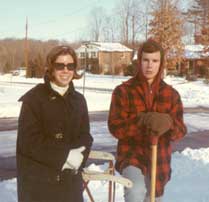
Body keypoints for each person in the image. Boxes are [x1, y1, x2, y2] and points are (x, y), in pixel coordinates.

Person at [108, 39, 187, 202]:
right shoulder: (123, 91)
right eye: (145, 60)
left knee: (154, 198)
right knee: (136, 192)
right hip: (132, 154)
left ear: (161, 63)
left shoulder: (171, 94)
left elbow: (181, 130)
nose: (150, 65)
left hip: (160, 159)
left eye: (155, 61)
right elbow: (115, 127)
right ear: (139, 61)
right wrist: (140, 121)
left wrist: (169, 123)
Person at [16, 45, 93, 202]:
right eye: (60, 65)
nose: (66, 70)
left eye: (70, 66)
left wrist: (79, 157)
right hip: (40, 186)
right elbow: (29, 142)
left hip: (70, 184)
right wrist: (64, 156)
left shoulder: (79, 100)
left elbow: (85, 135)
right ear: (51, 68)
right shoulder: (34, 99)